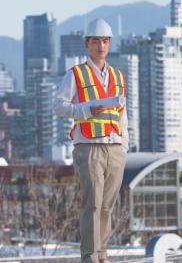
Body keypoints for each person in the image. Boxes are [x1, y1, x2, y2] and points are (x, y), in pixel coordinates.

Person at [53, 18, 128, 263]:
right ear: (87, 44)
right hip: (89, 147)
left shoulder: (117, 76)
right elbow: (58, 106)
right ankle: (89, 256)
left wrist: (124, 146)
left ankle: (102, 254)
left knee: (107, 205)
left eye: (105, 41)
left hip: (114, 147)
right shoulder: (75, 74)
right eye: (96, 41)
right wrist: (85, 110)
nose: (101, 45)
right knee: (92, 204)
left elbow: (123, 116)